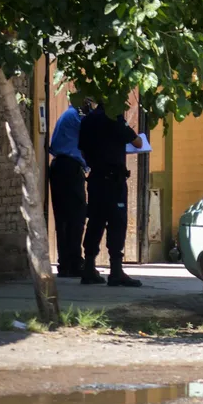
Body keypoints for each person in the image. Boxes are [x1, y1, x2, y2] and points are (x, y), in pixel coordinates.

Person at [78, 99, 143, 287]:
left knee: (95, 221)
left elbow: (83, 150)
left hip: (96, 178)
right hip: (114, 181)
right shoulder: (114, 118)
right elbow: (138, 142)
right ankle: (116, 270)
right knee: (117, 222)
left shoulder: (88, 120)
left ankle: (89, 267)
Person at [48, 95, 94, 277]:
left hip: (60, 167)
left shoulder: (68, 115)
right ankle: (74, 262)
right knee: (76, 217)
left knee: (63, 218)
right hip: (70, 168)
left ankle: (65, 263)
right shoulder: (77, 117)